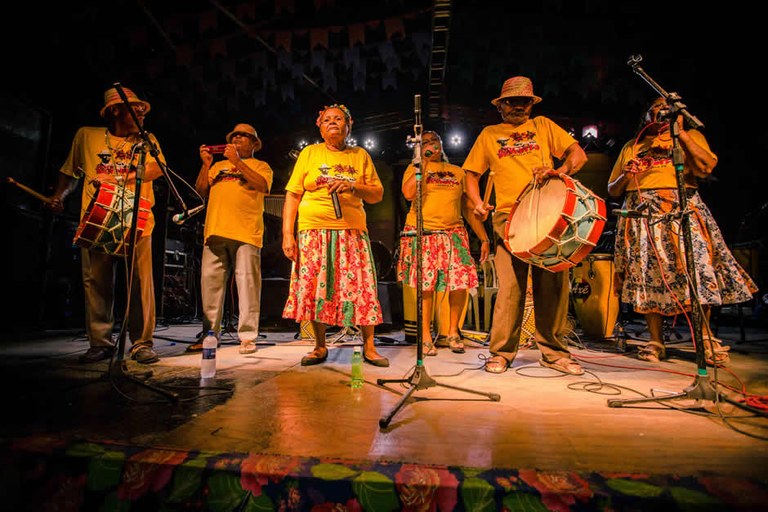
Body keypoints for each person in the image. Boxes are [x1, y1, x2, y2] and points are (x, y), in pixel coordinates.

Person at [607, 97, 757, 365]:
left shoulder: (691, 137)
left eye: (666, 109)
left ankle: (705, 339)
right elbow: (613, 190)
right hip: (643, 213)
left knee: (697, 272)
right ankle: (656, 341)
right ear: (646, 116)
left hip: (682, 209)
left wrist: (682, 134)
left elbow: (706, 167)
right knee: (647, 274)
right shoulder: (633, 146)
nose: (661, 112)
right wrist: (627, 175)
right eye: (655, 108)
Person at [463, 76, 589, 375]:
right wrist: (478, 202)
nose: (518, 106)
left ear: (532, 105)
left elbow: (578, 155)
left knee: (552, 285)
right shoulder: (489, 134)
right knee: (511, 288)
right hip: (508, 217)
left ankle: (554, 353)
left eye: (524, 101)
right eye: (512, 101)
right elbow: (471, 175)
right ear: (500, 105)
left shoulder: (543, 126)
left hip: (546, 213)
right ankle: (502, 353)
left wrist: (560, 171)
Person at [46, 85, 163, 364]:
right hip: (98, 219)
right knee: (96, 282)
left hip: (137, 220)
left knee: (140, 284)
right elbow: (69, 172)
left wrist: (123, 177)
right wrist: (59, 196)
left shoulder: (147, 140)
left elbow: (157, 168)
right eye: (135, 108)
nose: (141, 113)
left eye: (142, 109)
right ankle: (100, 342)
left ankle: (142, 343)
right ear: (115, 110)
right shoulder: (87, 136)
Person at [281, 104, 389, 367]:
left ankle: (370, 346)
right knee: (316, 286)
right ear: (319, 127)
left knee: (362, 286)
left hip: (351, 231)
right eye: (327, 119)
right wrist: (287, 234)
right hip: (313, 230)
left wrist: (352, 186)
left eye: (338, 119)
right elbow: (293, 195)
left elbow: (377, 194)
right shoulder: (310, 153)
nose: (332, 122)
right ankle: (319, 346)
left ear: (348, 125)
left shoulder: (359, 155)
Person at [396, 130, 490, 356]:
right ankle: (426, 336)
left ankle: (453, 332)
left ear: (441, 144)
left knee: (460, 283)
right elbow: (408, 193)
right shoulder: (415, 168)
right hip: (424, 232)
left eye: (434, 140)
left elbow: (468, 207)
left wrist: (484, 237)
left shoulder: (457, 172)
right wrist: (424, 162)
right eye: (426, 142)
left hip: (453, 232)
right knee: (426, 285)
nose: (431, 144)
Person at [185, 123, 273, 355]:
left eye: (243, 136)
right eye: (234, 136)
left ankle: (247, 337)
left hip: (246, 233)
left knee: (248, 286)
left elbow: (262, 186)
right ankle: (210, 336)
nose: (237, 139)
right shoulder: (218, 167)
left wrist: (237, 162)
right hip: (215, 231)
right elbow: (200, 191)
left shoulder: (261, 166)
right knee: (210, 287)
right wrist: (206, 165)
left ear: (254, 143)